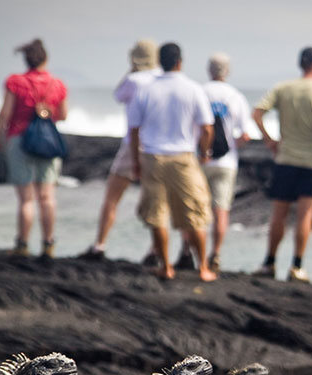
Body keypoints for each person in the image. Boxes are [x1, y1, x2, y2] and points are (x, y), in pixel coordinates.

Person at [127, 42, 217, 282]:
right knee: (195, 213)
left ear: (160, 62)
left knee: (157, 214)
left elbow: (134, 130)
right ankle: (204, 268)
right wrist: (204, 153)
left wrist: (136, 161)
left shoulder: (145, 90)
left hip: (152, 156)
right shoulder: (193, 89)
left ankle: (166, 266)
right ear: (180, 62)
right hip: (183, 157)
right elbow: (207, 128)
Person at [252, 46, 312, 283]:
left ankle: (269, 262)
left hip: (286, 159)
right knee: (304, 215)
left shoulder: (283, 88)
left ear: (301, 64)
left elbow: (257, 113)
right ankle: (297, 266)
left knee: (278, 214)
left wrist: (269, 140)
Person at [81, 39, 162, 260]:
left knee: (112, 197)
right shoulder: (162, 80)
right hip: (157, 146)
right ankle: (155, 249)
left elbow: (118, 96)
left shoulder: (133, 80)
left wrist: (132, 70)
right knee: (155, 201)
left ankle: (100, 244)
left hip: (131, 143)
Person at [0, 38, 68, 259]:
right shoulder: (58, 84)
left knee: (26, 199)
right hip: (48, 142)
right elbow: (62, 115)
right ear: (46, 58)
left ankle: (23, 244)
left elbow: (5, 113)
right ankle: (48, 244)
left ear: (26, 60)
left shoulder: (16, 82)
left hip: (19, 140)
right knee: (47, 197)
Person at [189, 52, 250, 273]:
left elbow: (191, 127)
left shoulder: (200, 92)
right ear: (228, 71)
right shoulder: (236, 96)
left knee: (196, 210)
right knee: (221, 210)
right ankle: (216, 253)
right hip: (227, 161)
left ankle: (192, 252)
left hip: (200, 160)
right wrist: (232, 144)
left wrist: (202, 150)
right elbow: (245, 135)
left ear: (209, 70)